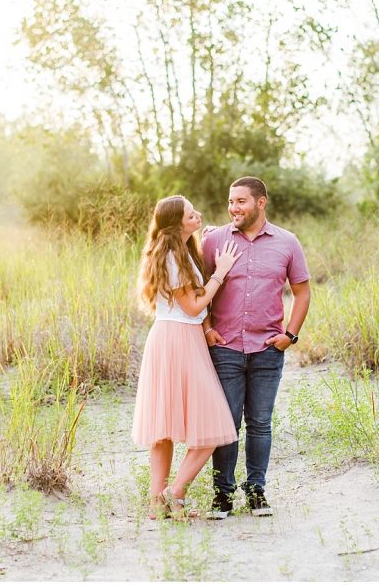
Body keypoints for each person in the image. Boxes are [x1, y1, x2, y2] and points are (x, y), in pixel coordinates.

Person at [200, 176, 311, 519]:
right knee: (226, 423)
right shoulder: (213, 241)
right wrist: (206, 328)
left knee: (261, 423)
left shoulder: (287, 243)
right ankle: (223, 494)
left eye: (241, 201)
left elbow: (303, 292)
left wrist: (290, 336)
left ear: (261, 203)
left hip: (267, 349)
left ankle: (257, 491)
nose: (233, 208)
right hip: (226, 348)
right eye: (231, 201)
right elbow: (197, 287)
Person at [131, 195, 242, 521]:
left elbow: (192, 306)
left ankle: (160, 502)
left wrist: (203, 243)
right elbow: (194, 306)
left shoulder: (179, 251)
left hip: (178, 337)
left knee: (165, 427)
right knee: (212, 424)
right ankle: (172, 493)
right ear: (177, 223)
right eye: (192, 214)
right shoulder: (170, 257)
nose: (199, 215)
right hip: (177, 339)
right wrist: (220, 273)